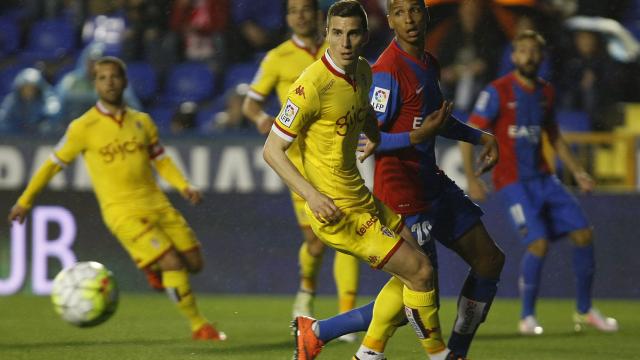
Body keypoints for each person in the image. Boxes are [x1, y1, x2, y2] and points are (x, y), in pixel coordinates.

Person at [290, 1, 503, 359]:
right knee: (418, 283)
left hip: (432, 183)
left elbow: (435, 121)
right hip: (401, 190)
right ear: (388, 20)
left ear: (426, 14)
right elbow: (374, 140)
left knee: (489, 261)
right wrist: (418, 138)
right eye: (400, 12)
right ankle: (350, 342)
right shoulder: (386, 71)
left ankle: (455, 351)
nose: (409, 19)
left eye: (415, 10)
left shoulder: (427, 62)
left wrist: (480, 136)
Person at [263, 1, 449, 359]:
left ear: (364, 36)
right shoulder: (311, 86)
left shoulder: (363, 71)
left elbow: (360, 111)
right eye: (337, 33)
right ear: (326, 34)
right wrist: (311, 197)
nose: (345, 42)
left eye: (352, 33)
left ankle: (329, 338)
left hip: (362, 198)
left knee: (416, 273)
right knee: (421, 273)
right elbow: (272, 150)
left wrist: (373, 134)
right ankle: (440, 354)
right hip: (337, 211)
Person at [8, 56, 226, 342]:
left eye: (114, 77)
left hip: (157, 203)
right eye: (102, 78)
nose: (109, 83)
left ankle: (152, 265)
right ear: (95, 83)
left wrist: (184, 185)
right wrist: (25, 200)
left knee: (194, 264)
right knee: (172, 262)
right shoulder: (82, 128)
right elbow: (52, 164)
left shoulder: (142, 122)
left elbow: (160, 159)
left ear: (124, 81)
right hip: (121, 211)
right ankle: (199, 326)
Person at [460, 30, 619, 335]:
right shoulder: (497, 92)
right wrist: (471, 178)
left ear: (541, 57)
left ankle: (585, 311)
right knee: (539, 242)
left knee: (584, 234)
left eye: (534, 51)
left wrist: (579, 172)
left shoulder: (545, 92)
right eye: (522, 50)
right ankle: (527, 316)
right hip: (512, 183)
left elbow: (554, 137)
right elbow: (470, 135)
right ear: (513, 56)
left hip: (545, 178)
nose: (528, 56)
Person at [242, 0, 361, 330]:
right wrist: (263, 119)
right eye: (293, 10)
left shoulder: (339, 46)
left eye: (306, 9)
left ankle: (344, 313)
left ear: (318, 15)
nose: (300, 15)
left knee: (348, 235)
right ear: (288, 17)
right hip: (299, 164)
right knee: (315, 242)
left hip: (338, 159)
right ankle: (307, 289)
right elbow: (250, 103)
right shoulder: (277, 57)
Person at [0, 67, 61, 135]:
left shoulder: (46, 99)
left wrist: (41, 122)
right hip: (17, 138)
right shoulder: (13, 101)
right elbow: (4, 119)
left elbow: (53, 112)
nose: (28, 91)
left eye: (31, 88)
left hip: (41, 139)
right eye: (25, 88)